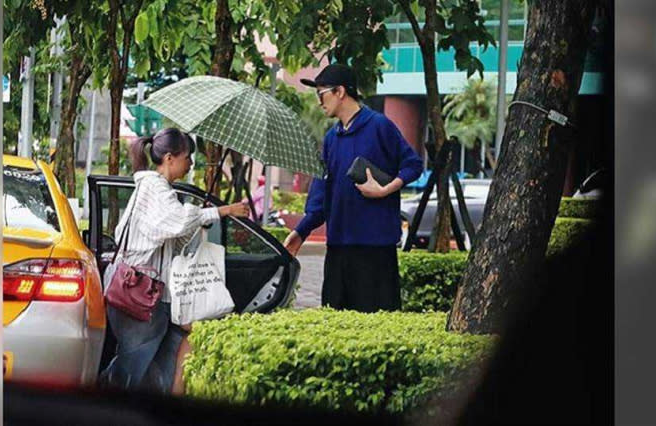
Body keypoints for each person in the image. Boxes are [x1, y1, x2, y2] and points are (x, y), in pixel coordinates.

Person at [100, 128, 249, 394]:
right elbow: (178, 223)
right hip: (139, 294)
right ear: (169, 158)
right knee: (130, 369)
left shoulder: (156, 190)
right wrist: (222, 211)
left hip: (143, 292)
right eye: (187, 157)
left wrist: (196, 219)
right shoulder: (155, 189)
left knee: (150, 367)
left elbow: (173, 237)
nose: (190, 163)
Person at [283, 64, 423, 312]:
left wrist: (386, 189)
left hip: (376, 249)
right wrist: (300, 234)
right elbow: (321, 196)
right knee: (334, 319)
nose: (319, 102)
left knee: (377, 325)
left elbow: (412, 165)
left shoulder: (380, 126)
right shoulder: (331, 138)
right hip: (337, 248)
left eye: (321, 94)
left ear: (340, 92)